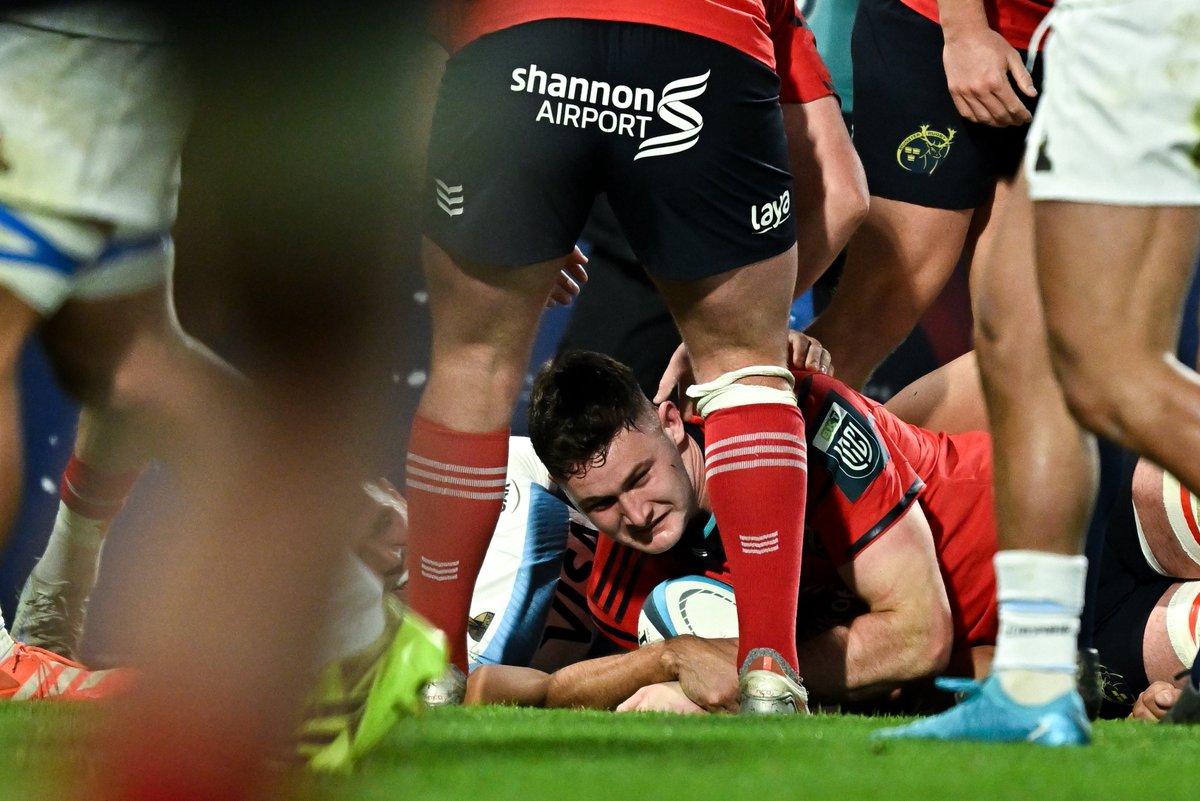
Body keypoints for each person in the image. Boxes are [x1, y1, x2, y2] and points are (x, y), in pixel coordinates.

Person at [410, 0, 853, 714]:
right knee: (746, 368)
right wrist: (743, 319)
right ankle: (770, 671)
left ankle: (428, 670)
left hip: (519, 49)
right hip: (699, 46)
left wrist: (499, 222)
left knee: (472, 364)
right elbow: (841, 186)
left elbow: (426, 46)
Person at [877, 0, 1200, 745]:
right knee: (1017, 341)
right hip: (1094, 35)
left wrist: (960, 28)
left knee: (1108, 370)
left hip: (1140, 29)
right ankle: (1032, 678)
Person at [803, 0, 1046, 392]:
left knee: (1022, 341)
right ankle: (746, 447)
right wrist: (964, 30)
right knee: (882, 304)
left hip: (1076, 49)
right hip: (939, 27)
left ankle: (895, 453)